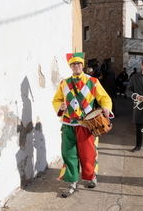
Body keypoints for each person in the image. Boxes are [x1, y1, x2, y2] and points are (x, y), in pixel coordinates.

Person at [52, 52, 112, 198]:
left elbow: (104, 98)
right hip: (68, 124)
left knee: (88, 153)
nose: (76, 66)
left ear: (82, 65)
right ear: (70, 66)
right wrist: (60, 107)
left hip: (86, 125)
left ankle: (91, 176)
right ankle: (72, 181)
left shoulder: (93, 81)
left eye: (79, 63)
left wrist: (106, 107)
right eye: (73, 64)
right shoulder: (64, 83)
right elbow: (56, 100)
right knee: (69, 154)